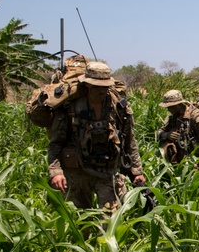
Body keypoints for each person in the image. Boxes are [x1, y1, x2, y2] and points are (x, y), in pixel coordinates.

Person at [47, 61, 145, 212]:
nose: (101, 91)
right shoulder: (70, 106)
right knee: (80, 220)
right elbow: (56, 143)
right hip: (77, 172)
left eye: (105, 87)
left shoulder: (117, 106)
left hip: (107, 171)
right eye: (97, 87)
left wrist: (136, 171)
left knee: (110, 219)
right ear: (87, 85)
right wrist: (56, 173)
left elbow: (129, 140)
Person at [157, 90, 199, 164]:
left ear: (179, 105)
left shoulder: (195, 116)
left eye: (170, 106)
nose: (168, 109)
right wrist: (167, 135)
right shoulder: (171, 116)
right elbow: (159, 132)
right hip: (179, 157)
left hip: (195, 159)